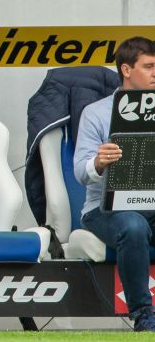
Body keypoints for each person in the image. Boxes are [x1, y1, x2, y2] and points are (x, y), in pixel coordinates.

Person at [74, 36, 155, 332]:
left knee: (138, 222)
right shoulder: (95, 112)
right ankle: (143, 314)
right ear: (126, 69)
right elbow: (80, 172)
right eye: (149, 67)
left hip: (152, 206)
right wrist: (98, 162)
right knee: (133, 226)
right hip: (103, 209)